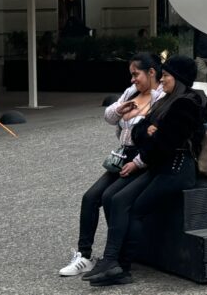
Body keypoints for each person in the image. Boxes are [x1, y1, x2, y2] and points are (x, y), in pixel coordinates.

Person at [86, 55, 207, 287]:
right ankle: (112, 261)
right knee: (118, 198)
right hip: (159, 165)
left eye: (166, 75)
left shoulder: (186, 103)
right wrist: (149, 131)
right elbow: (140, 131)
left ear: (179, 78)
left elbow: (164, 142)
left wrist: (147, 145)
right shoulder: (166, 101)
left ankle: (120, 265)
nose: (162, 80)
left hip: (175, 170)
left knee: (132, 208)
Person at [58, 53, 164, 277]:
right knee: (90, 197)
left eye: (136, 74)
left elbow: (155, 131)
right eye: (131, 75)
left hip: (142, 157)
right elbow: (108, 116)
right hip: (121, 154)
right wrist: (121, 109)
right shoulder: (131, 92)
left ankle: (115, 255)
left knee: (112, 198)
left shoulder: (160, 97)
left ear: (151, 72)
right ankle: (84, 255)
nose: (133, 79)